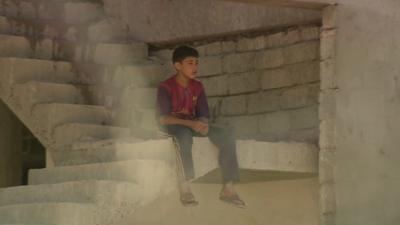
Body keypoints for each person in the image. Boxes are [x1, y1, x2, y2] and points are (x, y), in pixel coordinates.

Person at [156, 45, 245, 208]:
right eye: (190, 63)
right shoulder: (165, 87)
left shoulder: (197, 87)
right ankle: (185, 187)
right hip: (174, 126)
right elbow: (163, 119)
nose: (195, 67)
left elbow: (203, 113)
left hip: (193, 125)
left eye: (196, 63)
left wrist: (203, 124)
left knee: (227, 133)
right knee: (184, 136)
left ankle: (228, 188)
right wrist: (191, 123)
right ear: (178, 66)